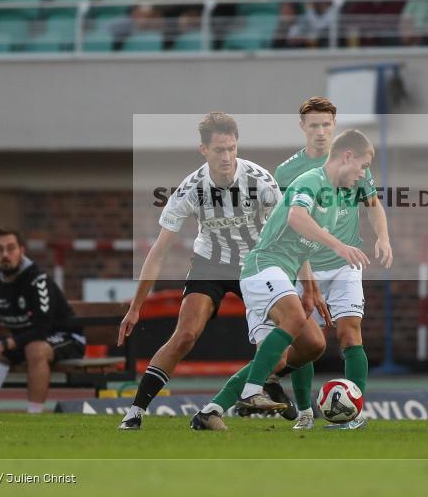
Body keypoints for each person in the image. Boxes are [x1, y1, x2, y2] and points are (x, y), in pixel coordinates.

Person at [117, 112, 294, 430]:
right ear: (204, 150)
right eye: (219, 150)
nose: (226, 156)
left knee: (285, 346)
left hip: (255, 264)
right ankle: (135, 412)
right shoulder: (191, 188)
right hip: (209, 264)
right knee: (185, 336)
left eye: (231, 148)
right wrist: (135, 307)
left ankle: (264, 387)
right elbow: (159, 251)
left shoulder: (260, 180)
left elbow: (288, 231)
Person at [190, 129, 372, 431]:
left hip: (283, 273)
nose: (364, 174)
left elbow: (302, 246)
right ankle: (252, 392)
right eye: (363, 166)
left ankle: (210, 411)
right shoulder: (311, 180)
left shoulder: (333, 195)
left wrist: (310, 288)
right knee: (294, 320)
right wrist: (339, 246)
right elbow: (296, 218)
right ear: (347, 157)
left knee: (310, 346)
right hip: (263, 266)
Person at [273, 97, 391, 430]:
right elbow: (286, 221)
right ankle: (304, 412)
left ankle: (354, 413)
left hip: (345, 263)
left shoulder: (353, 161)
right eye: (314, 125)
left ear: (334, 126)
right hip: (303, 265)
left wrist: (383, 238)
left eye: (326, 124)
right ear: (302, 127)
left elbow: (373, 204)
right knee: (304, 341)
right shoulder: (287, 171)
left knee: (350, 331)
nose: (321, 131)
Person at [0, 229, 84, 414]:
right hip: (24, 340)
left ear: (22, 251)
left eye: (11, 248)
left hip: (66, 337)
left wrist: (2, 345)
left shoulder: (38, 280)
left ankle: (34, 415)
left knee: (35, 349)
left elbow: (41, 329)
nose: (5, 254)